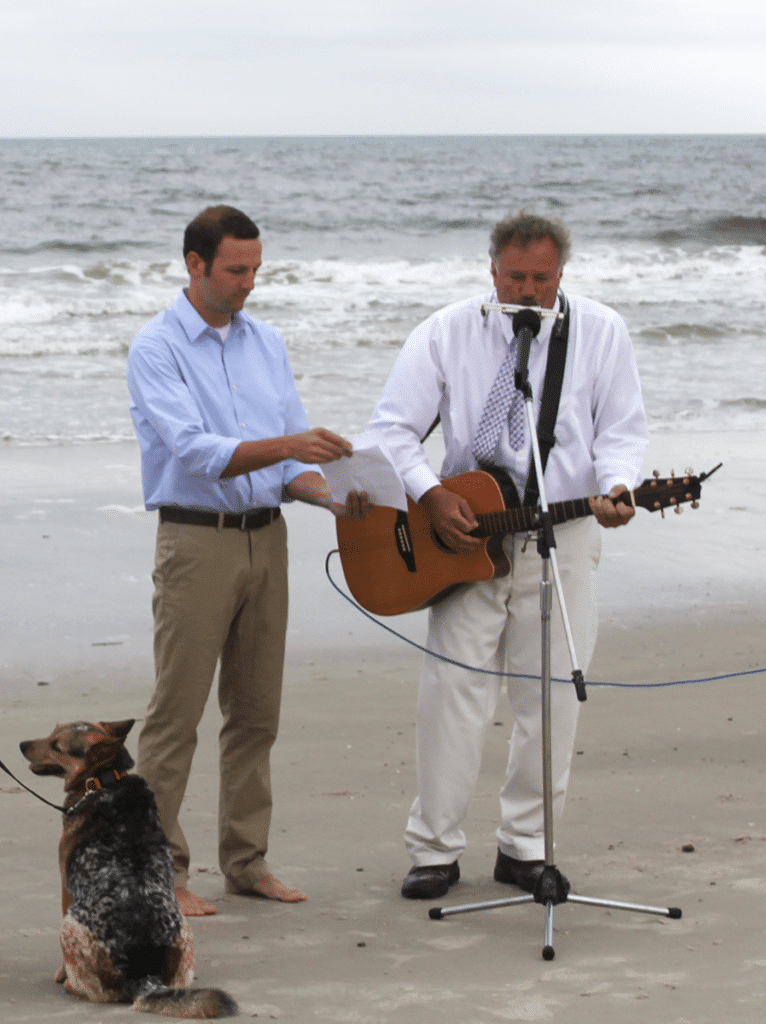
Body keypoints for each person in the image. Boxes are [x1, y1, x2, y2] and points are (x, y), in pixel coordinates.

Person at [365, 211, 648, 900]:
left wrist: (619, 486)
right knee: (452, 695)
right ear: (491, 269)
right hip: (462, 536)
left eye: (542, 279)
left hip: (563, 530)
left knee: (549, 696)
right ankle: (434, 846)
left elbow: (622, 430)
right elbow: (391, 431)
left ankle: (525, 846)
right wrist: (431, 496)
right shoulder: (445, 331)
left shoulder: (602, 332)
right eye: (515, 277)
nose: (528, 290)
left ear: (562, 273)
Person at [127, 205, 367, 916]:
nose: (249, 283)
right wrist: (292, 447)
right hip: (197, 540)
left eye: (257, 269)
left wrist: (332, 500)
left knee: (257, 711)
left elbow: (291, 458)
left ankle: (246, 860)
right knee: (176, 714)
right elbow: (197, 451)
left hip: (271, 537)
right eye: (236, 269)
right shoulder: (157, 347)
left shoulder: (266, 342)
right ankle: (160, 869)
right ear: (195, 264)